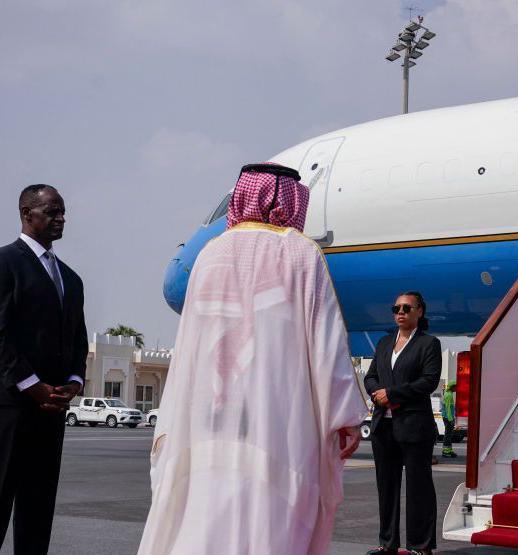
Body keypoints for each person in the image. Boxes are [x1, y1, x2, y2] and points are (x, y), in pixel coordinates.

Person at [138, 163, 365, 554]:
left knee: (204, 515)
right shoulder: (302, 254)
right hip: (278, 427)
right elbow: (327, 347)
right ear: (291, 200)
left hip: (209, 423)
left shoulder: (210, 254)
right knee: (270, 521)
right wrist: (343, 416)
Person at [0, 184, 87, 553]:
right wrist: (30, 383)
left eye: (63, 211)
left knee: (38, 509)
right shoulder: (5, 263)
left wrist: (73, 381)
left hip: (50, 411)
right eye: (52, 212)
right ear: (26, 214)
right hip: (10, 410)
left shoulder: (71, 278)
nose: (61, 218)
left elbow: (77, 340)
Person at [364, 292, 442, 555]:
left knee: (419, 487)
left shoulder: (429, 344)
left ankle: (420, 546)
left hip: (414, 426)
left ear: (419, 311)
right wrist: (377, 393)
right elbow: (371, 376)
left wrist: (393, 394)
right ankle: (388, 544)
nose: (400, 312)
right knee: (386, 488)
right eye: (396, 307)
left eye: (407, 308)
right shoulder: (385, 342)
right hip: (383, 427)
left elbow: (428, 381)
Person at [441, 380, 457, 458]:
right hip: (448, 418)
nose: (457, 388)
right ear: (452, 387)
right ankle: (446, 452)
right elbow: (448, 409)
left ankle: (449, 450)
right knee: (448, 435)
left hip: (447, 417)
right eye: (456, 387)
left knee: (449, 434)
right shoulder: (449, 395)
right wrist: (451, 420)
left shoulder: (448, 394)